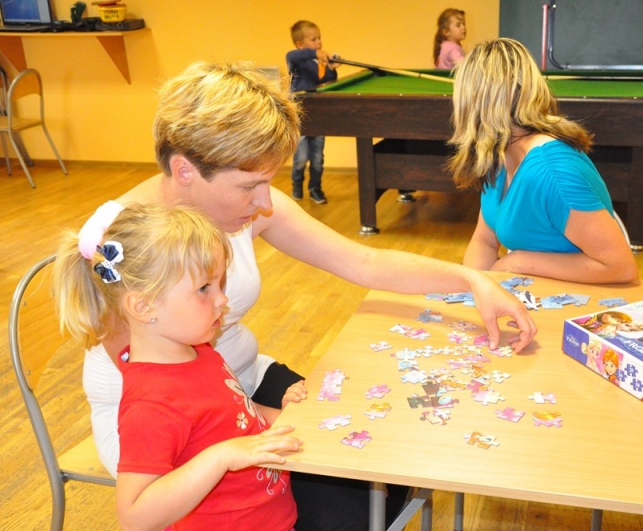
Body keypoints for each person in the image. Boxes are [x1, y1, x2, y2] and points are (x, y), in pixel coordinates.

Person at [78, 60, 536, 531]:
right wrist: (257, 431)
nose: (265, 203)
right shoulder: (127, 245)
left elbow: (363, 262)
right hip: (163, 429)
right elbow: (170, 403)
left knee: (386, 454)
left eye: (269, 182)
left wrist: (472, 280)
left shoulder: (243, 203)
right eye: (251, 185)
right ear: (185, 171)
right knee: (351, 509)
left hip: (237, 383)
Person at [55, 204, 304, 530]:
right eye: (204, 289)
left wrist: (284, 416)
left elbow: (235, 417)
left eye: (219, 284)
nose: (222, 300)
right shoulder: (151, 404)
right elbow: (134, 517)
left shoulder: (199, 351)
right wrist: (221, 457)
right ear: (144, 306)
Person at [447, 38, 638, 284]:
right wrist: (474, 288)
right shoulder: (500, 156)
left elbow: (620, 267)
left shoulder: (553, 170)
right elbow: (484, 241)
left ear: (472, 103)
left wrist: (518, 261)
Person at [286, 20, 340, 204]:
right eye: (313, 39)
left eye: (319, 38)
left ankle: (315, 189)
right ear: (300, 44)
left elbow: (325, 83)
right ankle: (297, 186)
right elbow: (292, 55)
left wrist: (331, 70)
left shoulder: (316, 63)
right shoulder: (295, 61)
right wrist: (314, 53)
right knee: (300, 159)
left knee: (317, 159)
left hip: (317, 117)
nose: (319, 42)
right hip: (300, 119)